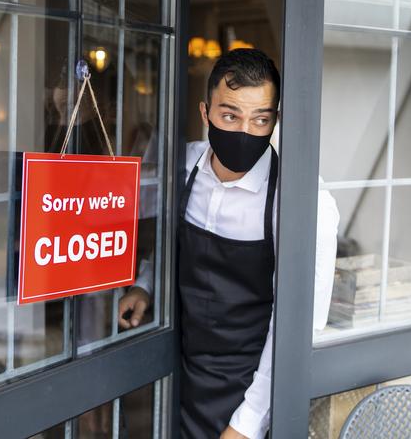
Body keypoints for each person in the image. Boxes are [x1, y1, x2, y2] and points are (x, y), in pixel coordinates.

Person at [118, 49, 339, 439]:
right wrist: (145, 284)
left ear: (276, 120)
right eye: (230, 115)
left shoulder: (304, 203)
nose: (245, 131)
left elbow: (299, 328)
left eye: (261, 119)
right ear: (205, 114)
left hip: (252, 388)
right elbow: (171, 240)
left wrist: (248, 421)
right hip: (179, 371)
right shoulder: (184, 167)